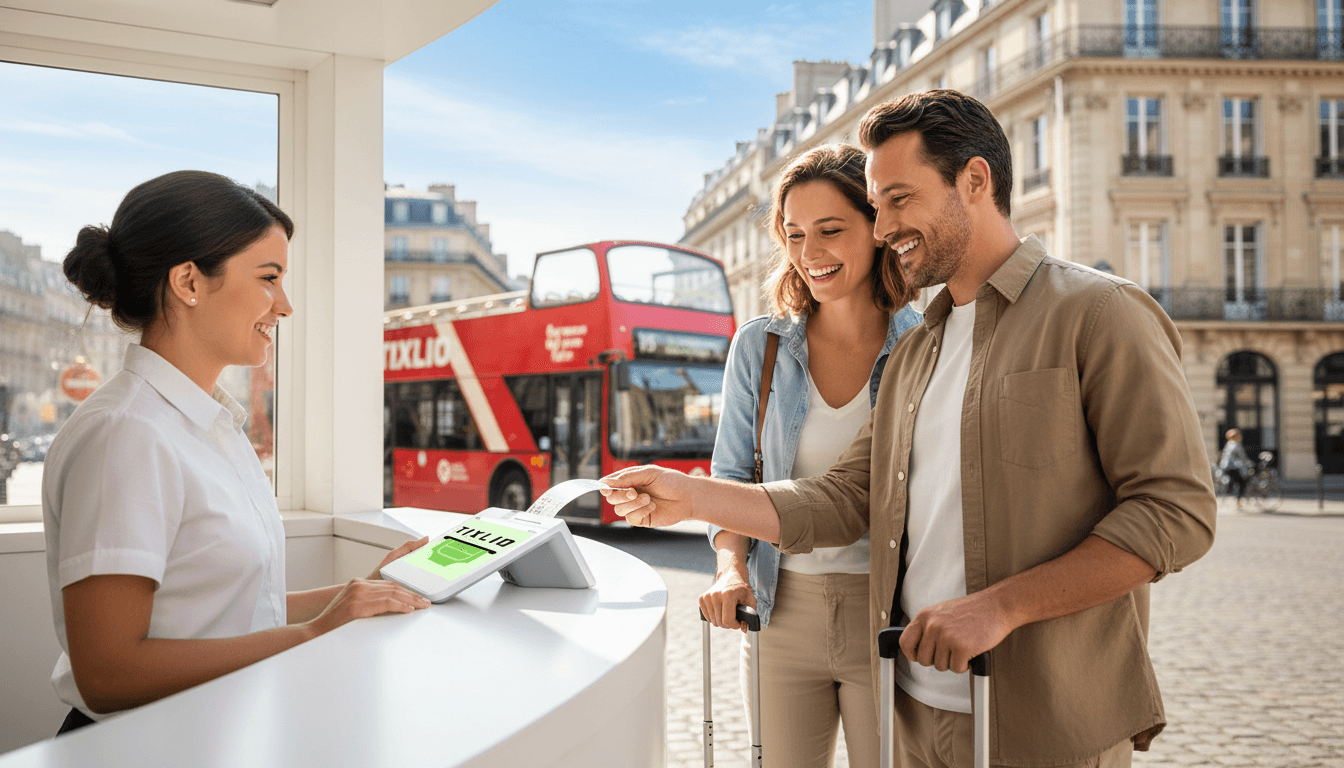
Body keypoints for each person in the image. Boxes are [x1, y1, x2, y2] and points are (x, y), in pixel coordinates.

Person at [603, 90, 1216, 768]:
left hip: (1044, 719)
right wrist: (689, 496)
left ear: (974, 181)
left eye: (898, 199)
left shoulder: (1098, 312)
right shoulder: (919, 351)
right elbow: (843, 499)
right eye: (877, 203)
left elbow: (1174, 512)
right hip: (912, 713)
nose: (884, 224)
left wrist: (999, 608)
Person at [44, 170, 431, 735]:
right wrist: (312, 636)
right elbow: (109, 671)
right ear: (188, 282)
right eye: (269, 278)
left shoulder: (208, 423)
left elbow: (226, 613)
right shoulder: (126, 434)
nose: (285, 305)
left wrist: (359, 594)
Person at [699, 144, 919, 767]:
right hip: (778, 609)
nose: (810, 253)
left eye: (831, 230)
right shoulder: (760, 347)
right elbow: (733, 475)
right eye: (794, 235)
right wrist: (729, 570)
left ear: (877, 228)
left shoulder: (923, 342)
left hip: (889, 612)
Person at [1218, 428, 1252, 505]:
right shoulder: (1237, 445)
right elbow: (1242, 457)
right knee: (1243, 482)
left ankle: (1230, 489)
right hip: (1233, 467)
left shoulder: (1228, 444)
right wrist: (1249, 463)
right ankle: (1238, 500)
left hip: (1225, 467)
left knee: (1236, 481)